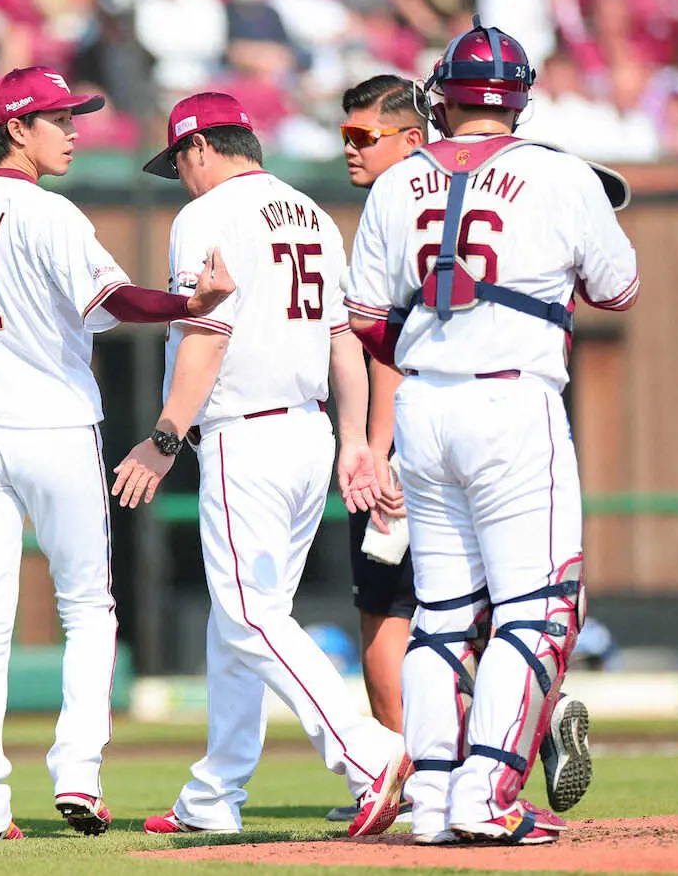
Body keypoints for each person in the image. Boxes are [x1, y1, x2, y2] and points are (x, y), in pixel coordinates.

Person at [0, 66, 234, 842]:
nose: (75, 132)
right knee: (87, 609)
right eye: (60, 119)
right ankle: (77, 773)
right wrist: (189, 303)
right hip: (51, 428)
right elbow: (115, 300)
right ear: (16, 129)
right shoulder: (50, 214)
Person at [346, 17, 638, 845]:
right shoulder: (561, 172)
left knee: (441, 612)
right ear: (519, 100)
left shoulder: (397, 182)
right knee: (538, 609)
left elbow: (365, 316)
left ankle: (437, 800)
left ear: (441, 97)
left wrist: (435, 342)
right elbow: (619, 290)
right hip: (512, 400)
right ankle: (487, 795)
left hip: (423, 407)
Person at [113, 91, 409, 839]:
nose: (180, 176)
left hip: (245, 435)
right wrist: (353, 438)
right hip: (308, 432)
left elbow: (206, 334)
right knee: (236, 619)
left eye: (179, 161)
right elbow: (343, 338)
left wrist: (164, 437)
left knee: (250, 616)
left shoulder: (206, 216)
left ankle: (368, 753)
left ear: (200, 147)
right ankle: (215, 793)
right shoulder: (312, 213)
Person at [321, 74, 426, 825]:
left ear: (411, 138)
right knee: (471, 613)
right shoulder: (470, 194)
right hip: (501, 425)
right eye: (346, 135)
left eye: (364, 136)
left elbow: (386, 345)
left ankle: (407, 777)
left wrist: (375, 446)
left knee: (384, 615)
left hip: (412, 438)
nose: (350, 149)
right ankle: (515, 735)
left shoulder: (394, 203)